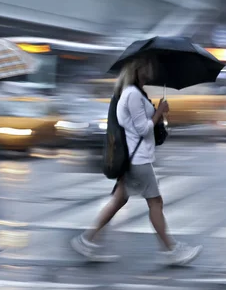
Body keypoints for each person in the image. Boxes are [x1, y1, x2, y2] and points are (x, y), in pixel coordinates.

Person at [70, 57, 202, 266]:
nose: (152, 70)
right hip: (137, 160)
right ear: (137, 70)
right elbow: (142, 129)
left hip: (134, 158)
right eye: (148, 67)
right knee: (155, 202)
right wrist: (159, 112)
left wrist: (158, 112)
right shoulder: (132, 95)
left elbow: (141, 126)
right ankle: (172, 250)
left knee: (118, 201)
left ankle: (87, 240)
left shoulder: (137, 94)